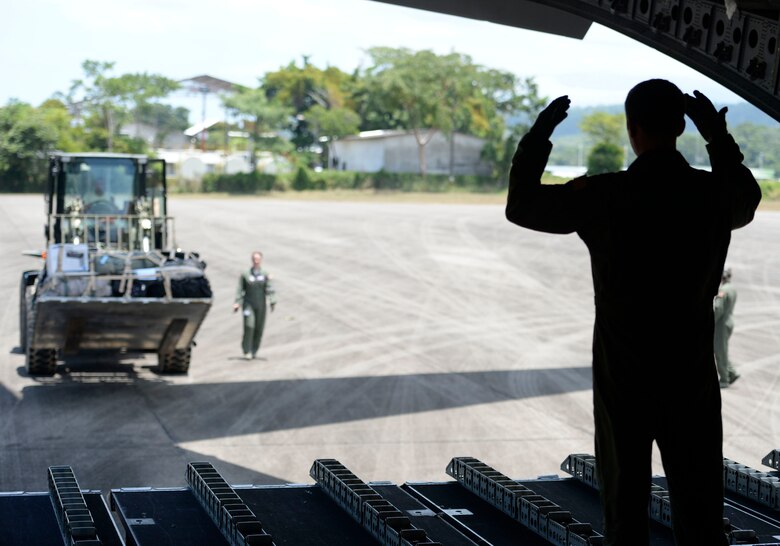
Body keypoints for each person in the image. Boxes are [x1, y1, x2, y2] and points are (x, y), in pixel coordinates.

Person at [506, 80, 760, 545]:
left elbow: (521, 205)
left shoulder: (604, 195)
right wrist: (717, 137)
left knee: (625, 514)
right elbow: (747, 194)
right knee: (700, 512)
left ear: (632, 130)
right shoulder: (713, 195)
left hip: (625, 373)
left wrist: (539, 135)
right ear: (681, 127)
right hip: (690, 372)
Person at [233, 251, 277, 359]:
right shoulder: (246, 274)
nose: (256, 261)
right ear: (252, 260)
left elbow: (269, 288)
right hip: (248, 304)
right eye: (254, 259)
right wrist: (237, 302)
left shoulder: (265, 274)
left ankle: (254, 350)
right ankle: (246, 349)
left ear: (261, 260)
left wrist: (272, 301)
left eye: (258, 259)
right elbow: (240, 289)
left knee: (259, 328)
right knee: (249, 326)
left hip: (261, 305)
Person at [714, 267, 739, 388]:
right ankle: (732, 372)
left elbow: (718, 308)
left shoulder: (723, 290)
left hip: (721, 325)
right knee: (722, 349)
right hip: (729, 322)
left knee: (720, 352)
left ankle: (724, 379)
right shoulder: (732, 288)